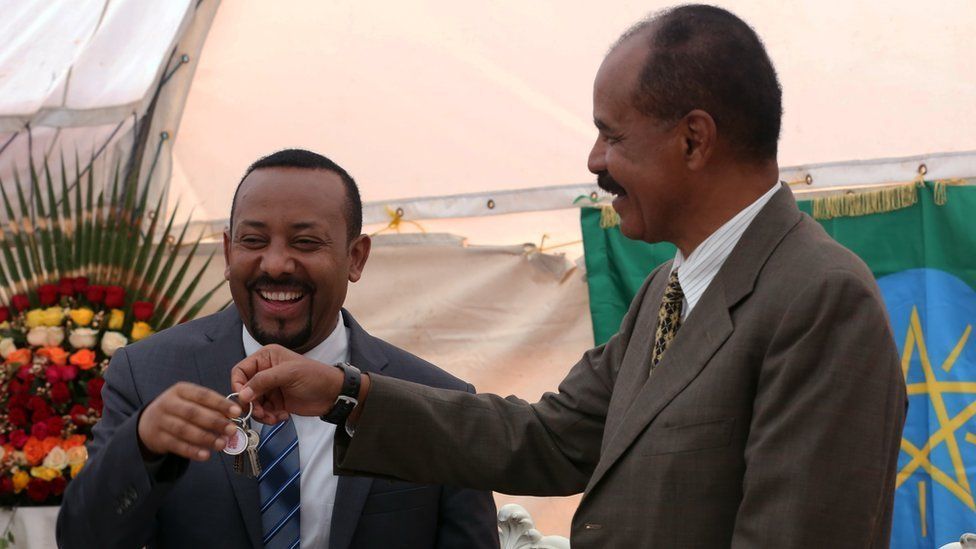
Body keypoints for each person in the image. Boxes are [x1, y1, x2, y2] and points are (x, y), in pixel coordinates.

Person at [232, 6, 907, 548]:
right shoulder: (667, 292)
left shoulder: (818, 299)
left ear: (694, 140)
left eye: (612, 136)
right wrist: (341, 393)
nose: (594, 160)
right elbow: (548, 439)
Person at [56, 149, 499, 549]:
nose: (275, 263)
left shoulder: (437, 400)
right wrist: (142, 447)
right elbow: (82, 539)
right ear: (229, 251)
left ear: (357, 257)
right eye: (253, 241)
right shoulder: (148, 373)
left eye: (305, 243)